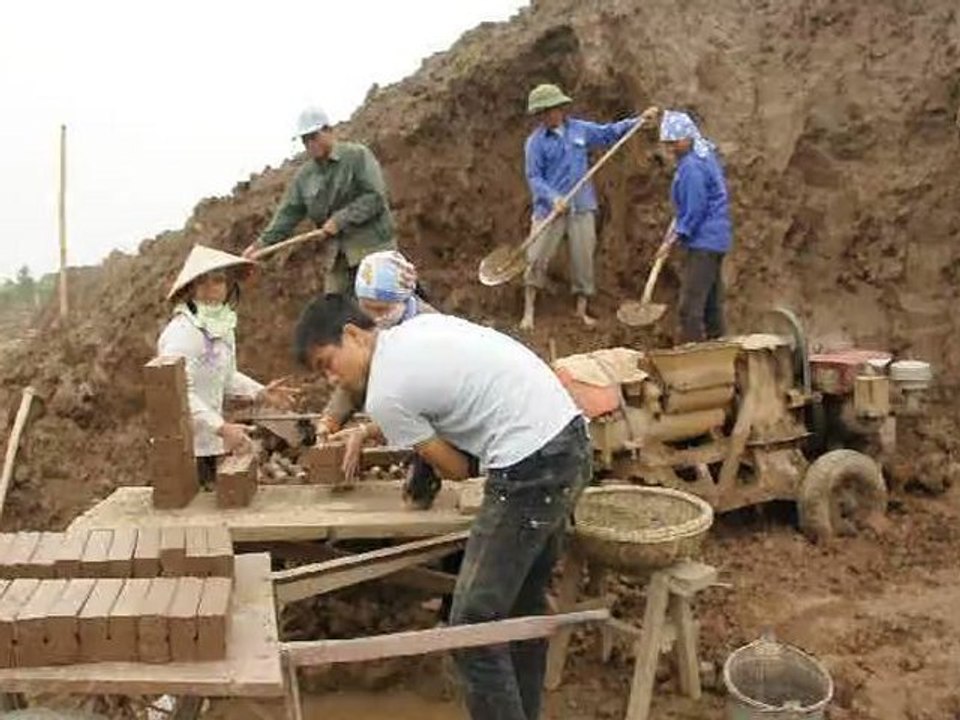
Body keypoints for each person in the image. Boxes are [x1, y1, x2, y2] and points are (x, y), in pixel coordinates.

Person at [294, 295, 592, 720]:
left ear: (352, 334)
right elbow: (433, 394)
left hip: (531, 470)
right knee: (520, 610)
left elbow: (454, 470)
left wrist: (393, 432)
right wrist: (373, 430)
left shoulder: (384, 393)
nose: (329, 379)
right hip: (569, 439)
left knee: (471, 629)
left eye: (327, 362)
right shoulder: (412, 331)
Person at [158, 246, 296, 488]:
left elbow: (226, 375)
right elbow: (176, 393)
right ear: (190, 289)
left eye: (219, 281)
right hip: (185, 450)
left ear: (229, 287)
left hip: (210, 443)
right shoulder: (182, 334)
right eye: (203, 283)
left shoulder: (221, 328)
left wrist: (259, 392)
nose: (212, 289)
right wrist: (220, 427)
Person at [521, 84, 649, 330]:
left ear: (561, 108)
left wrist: (638, 121)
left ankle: (581, 310)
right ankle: (529, 312)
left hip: (582, 206)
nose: (550, 115)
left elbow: (608, 133)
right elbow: (534, 177)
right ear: (539, 114)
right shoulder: (535, 143)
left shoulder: (579, 130)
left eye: (553, 109)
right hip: (549, 211)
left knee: (583, 259)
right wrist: (553, 197)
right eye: (544, 112)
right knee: (536, 258)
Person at [243, 106, 396, 296]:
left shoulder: (357, 156)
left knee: (384, 305)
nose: (310, 144)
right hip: (338, 260)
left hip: (373, 251)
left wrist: (339, 220)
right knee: (335, 312)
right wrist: (261, 245)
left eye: (313, 137)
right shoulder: (304, 177)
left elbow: (375, 197)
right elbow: (287, 215)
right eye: (305, 140)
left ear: (329, 131)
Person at [655, 109, 732, 342]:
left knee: (690, 308)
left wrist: (676, 236)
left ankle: (694, 358)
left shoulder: (692, 167)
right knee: (711, 305)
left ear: (687, 137)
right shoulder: (703, 152)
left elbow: (694, 209)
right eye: (667, 144)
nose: (670, 149)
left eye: (674, 143)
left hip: (703, 242)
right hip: (717, 239)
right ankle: (719, 352)